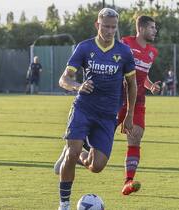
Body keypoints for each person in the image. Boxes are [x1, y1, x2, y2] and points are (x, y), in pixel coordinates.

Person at [54, 8, 137, 210]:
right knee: (74, 152)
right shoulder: (84, 48)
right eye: (106, 26)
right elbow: (64, 79)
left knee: (96, 166)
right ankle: (64, 204)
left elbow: (132, 85)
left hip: (108, 114)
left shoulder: (124, 52)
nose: (109, 31)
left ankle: (71, 151)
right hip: (83, 108)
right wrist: (77, 86)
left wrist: (129, 114)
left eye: (113, 27)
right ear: (97, 25)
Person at [117, 15, 159, 195]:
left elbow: (143, 76)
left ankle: (128, 181)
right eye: (152, 27)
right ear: (141, 29)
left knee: (136, 135)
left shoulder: (152, 52)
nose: (155, 31)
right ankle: (72, 154)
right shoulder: (125, 43)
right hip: (117, 98)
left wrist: (151, 86)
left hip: (138, 100)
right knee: (100, 137)